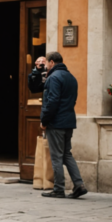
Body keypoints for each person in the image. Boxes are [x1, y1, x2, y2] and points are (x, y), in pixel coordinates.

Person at [40, 52, 88, 199]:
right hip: (68, 121)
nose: (46, 66)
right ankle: (79, 185)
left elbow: (52, 101)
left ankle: (58, 189)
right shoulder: (71, 77)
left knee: (56, 156)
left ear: (52, 62)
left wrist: (44, 121)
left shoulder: (53, 77)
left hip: (56, 122)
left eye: (47, 63)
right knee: (66, 154)